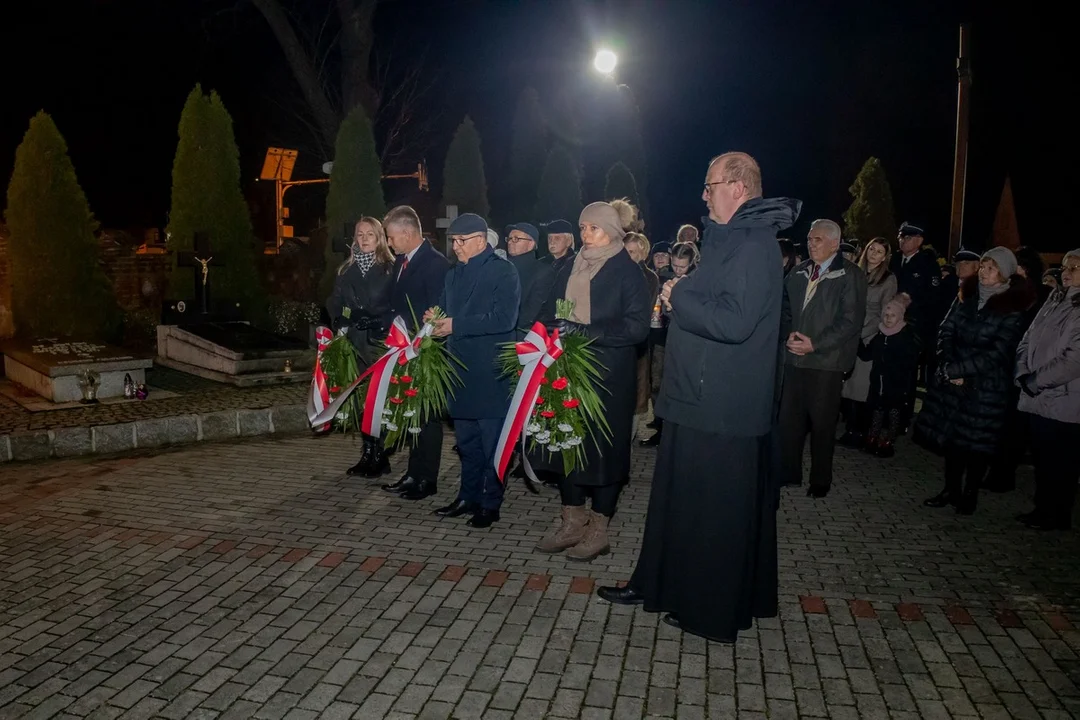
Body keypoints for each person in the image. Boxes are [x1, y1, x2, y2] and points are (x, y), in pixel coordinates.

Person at [597, 152, 801, 643]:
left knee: (715, 516)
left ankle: (709, 610)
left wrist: (678, 296)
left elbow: (734, 322)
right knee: (678, 503)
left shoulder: (753, 245)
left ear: (737, 187)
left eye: (709, 186)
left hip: (723, 408)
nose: (703, 195)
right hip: (697, 400)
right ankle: (661, 587)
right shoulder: (730, 241)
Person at [534, 200, 650, 561]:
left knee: (604, 452)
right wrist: (547, 329)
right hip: (568, 371)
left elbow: (636, 327)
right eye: (583, 227)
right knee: (567, 443)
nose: (586, 234)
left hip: (608, 378)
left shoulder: (626, 271)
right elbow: (552, 306)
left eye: (593, 228)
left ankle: (599, 529)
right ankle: (572, 520)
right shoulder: (573, 264)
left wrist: (585, 332)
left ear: (611, 231)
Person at [916, 248, 1035, 514]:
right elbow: (946, 329)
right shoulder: (965, 296)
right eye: (982, 266)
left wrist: (961, 370)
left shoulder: (1012, 307)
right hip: (954, 381)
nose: (983, 272)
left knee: (976, 443)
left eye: (991, 268)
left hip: (985, 388)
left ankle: (970, 493)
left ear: (1004, 274)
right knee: (952, 440)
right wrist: (949, 365)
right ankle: (951, 489)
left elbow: (999, 352)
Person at [427, 213, 520, 528]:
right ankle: (467, 497)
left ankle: (490, 503)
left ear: (480, 240)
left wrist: (455, 325)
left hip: (490, 372)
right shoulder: (453, 274)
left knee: (493, 443)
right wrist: (434, 316)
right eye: (453, 241)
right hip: (458, 371)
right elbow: (444, 307)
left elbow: (504, 319)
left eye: (461, 241)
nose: (455, 247)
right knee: (466, 443)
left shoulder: (503, 271)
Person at [777, 219, 867, 497]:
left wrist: (814, 344)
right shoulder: (799, 272)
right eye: (809, 239)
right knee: (789, 421)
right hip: (794, 358)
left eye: (817, 239)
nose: (811, 244)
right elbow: (785, 308)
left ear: (834, 244)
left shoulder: (850, 275)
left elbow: (850, 321)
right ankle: (788, 472)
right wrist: (789, 335)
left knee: (822, 424)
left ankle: (820, 480)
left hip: (826, 362)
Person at [380, 206, 450, 500]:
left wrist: (415, 340)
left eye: (391, 237)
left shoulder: (435, 264)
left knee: (427, 417)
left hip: (425, 351)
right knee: (412, 414)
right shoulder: (403, 261)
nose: (390, 243)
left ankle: (426, 479)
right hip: (404, 348)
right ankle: (412, 474)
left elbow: (435, 309)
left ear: (407, 233)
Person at [1015, 249, 1080, 531]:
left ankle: (1057, 515)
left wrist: (1035, 381)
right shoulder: (1055, 299)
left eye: (1075, 268)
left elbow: (1074, 359)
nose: (1066, 272)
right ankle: (1043, 510)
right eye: (1065, 266)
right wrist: (1021, 370)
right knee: (1043, 461)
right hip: (1038, 398)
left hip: (1064, 401)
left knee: (1060, 464)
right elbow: (1027, 338)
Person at [327, 217, 395, 477]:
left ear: (379, 238)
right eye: (360, 234)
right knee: (361, 402)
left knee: (379, 399)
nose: (364, 239)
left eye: (370, 234)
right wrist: (341, 317)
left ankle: (380, 454)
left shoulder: (390, 268)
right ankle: (368, 453)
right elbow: (334, 300)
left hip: (380, 342)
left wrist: (380, 320)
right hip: (355, 341)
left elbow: (397, 303)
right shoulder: (346, 270)